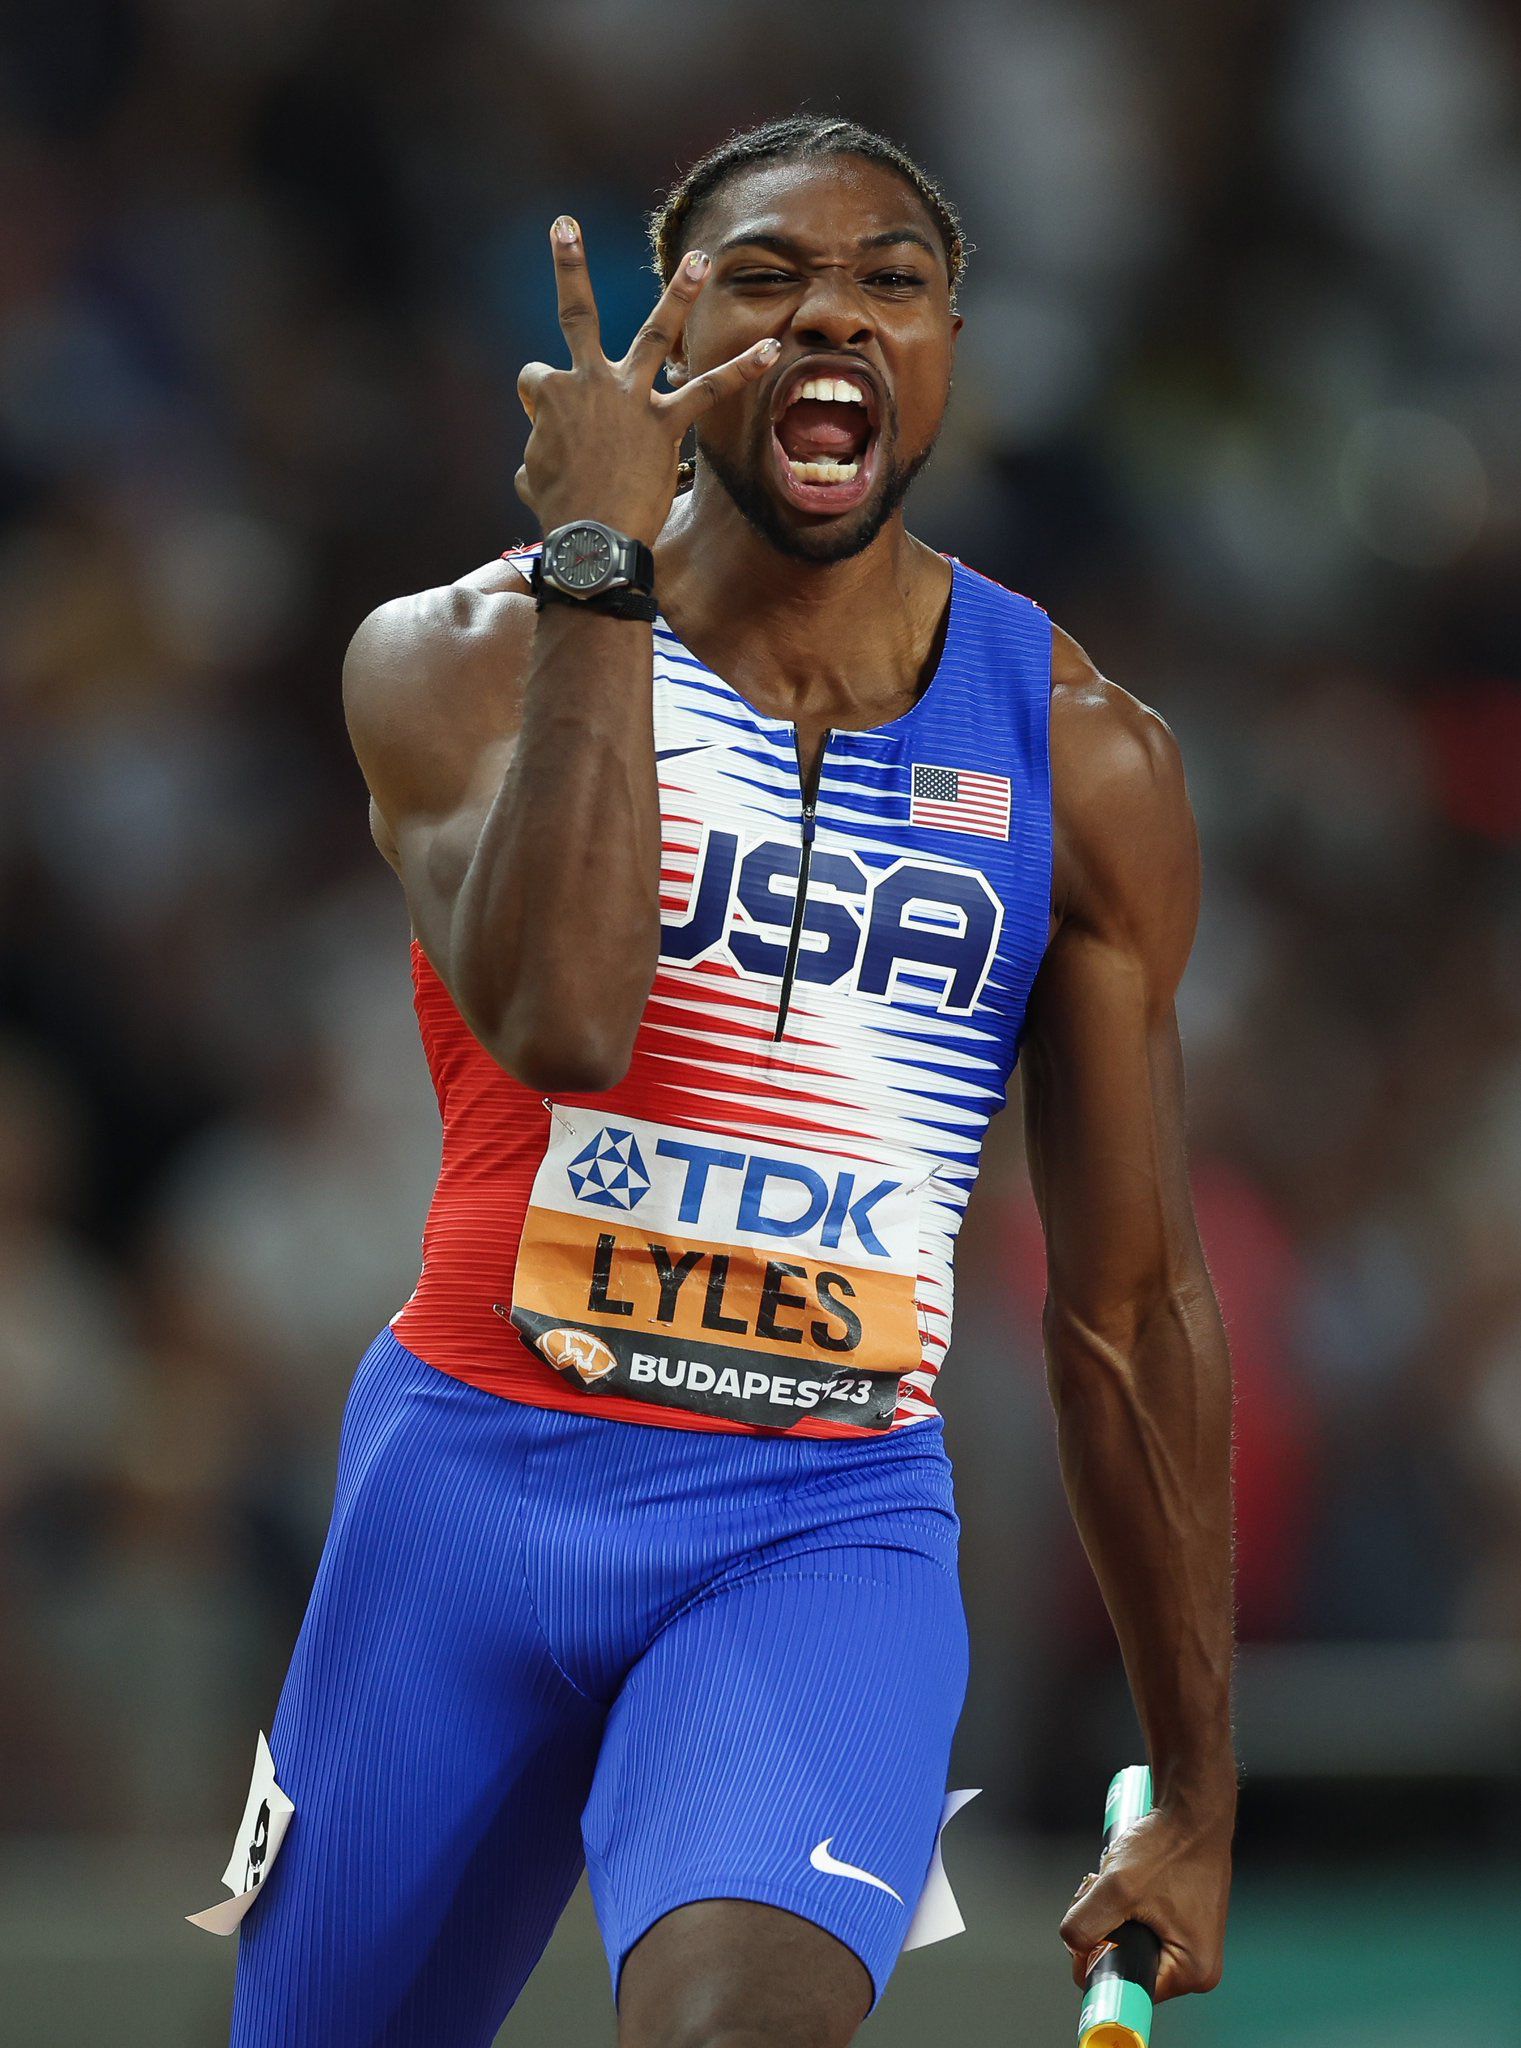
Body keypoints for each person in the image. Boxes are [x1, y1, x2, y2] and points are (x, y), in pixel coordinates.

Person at [226, 115, 1237, 2048]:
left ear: (949, 354)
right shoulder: (461, 655)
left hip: (817, 1526)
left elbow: (1126, 1308)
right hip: (469, 1493)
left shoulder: (1081, 757)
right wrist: (604, 575)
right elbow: (565, 1023)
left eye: (890, 285)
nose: (828, 322)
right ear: (668, 343)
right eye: (761, 283)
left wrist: (1195, 1785)